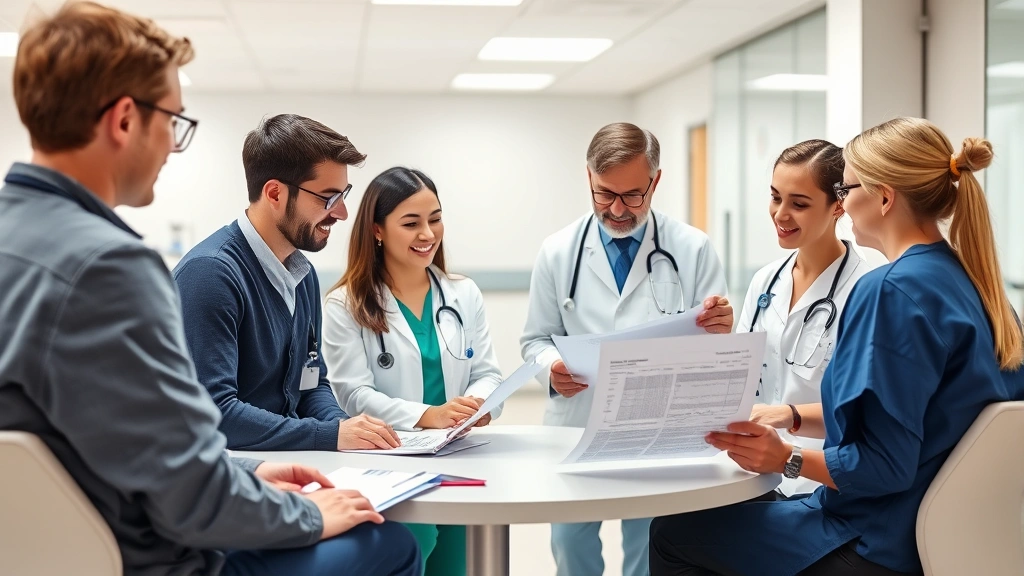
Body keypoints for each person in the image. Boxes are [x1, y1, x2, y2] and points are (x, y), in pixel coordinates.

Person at [0, 3, 419, 575]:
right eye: (173, 122)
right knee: (391, 544)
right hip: (156, 558)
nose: (172, 146)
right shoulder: (111, 268)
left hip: (50, 548)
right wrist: (308, 513)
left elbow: (136, 449)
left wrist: (250, 471)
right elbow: (189, 492)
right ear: (124, 120)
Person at [649, 117, 1024, 576]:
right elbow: (903, 417)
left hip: (873, 540)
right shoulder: (977, 286)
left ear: (884, 197)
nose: (843, 204)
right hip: (947, 537)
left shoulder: (890, 290)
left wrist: (785, 457)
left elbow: (884, 466)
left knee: (671, 534)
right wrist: (789, 416)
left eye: (846, 190)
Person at [520, 122, 733, 576]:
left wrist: (721, 330)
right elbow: (534, 341)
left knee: (649, 549)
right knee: (571, 548)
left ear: (656, 181)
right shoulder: (557, 251)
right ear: (588, 178)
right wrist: (552, 368)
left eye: (633, 195)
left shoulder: (692, 248)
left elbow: (715, 350)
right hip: (576, 427)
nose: (617, 209)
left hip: (658, 431)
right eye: (604, 193)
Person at [172, 114, 400, 452]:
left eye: (344, 195)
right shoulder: (210, 275)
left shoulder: (302, 275)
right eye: (328, 198)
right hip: (229, 468)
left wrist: (346, 428)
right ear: (275, 193)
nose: (342, 213)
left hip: (285, 461)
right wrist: (329, 435)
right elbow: (216, 414)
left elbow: (311, 385)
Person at [323, 166, 504, 576]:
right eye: (411, 223)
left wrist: (480, 404)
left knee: (458, 563)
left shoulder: (463, 293)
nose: (427, 234)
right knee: (414, 553)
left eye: (435, 219)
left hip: (460, 458)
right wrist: (429, 416)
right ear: (377, 230)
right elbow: (352, 395)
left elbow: (487, 372)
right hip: (392, 462)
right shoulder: (346, 304)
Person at [733, 139, 872, 496]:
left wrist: (787, 415)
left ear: (838, 205)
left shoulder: (866, 289)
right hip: (750, 470)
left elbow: (865, 411)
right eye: (775, 197)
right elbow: (742, 379)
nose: (780, 214)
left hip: (817, 480)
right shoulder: (765, 281)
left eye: (799, 204)